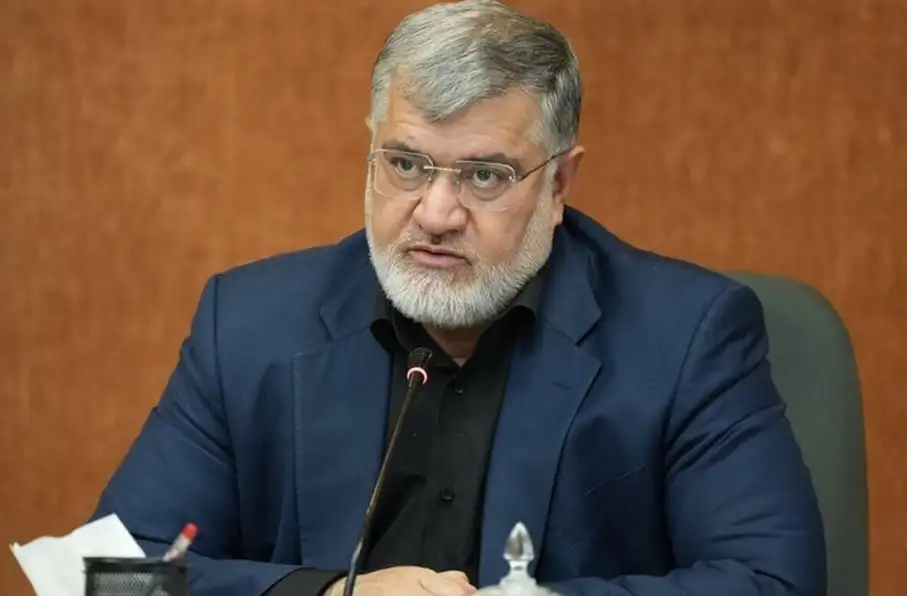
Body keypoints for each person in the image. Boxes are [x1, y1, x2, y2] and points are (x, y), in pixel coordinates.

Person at [91, 1, 826, 595]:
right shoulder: (248, 326)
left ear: (559, 184)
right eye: (406, 165)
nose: (436, 213)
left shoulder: (686, 336)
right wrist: (330, 594)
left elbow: (773, 582)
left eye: (484, 176)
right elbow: (114, 577)